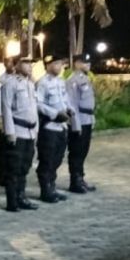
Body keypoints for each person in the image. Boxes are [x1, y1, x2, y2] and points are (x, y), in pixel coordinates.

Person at [0, 56, 39, 212]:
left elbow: (34, 109)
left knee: (25, 166)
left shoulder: (30, 84)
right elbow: (6, 108)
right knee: (13, 168)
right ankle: (12, 201)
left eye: (31, 64)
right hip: (18, 130)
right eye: (26, 63)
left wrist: (36, 130)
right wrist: (10, 131)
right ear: (16, 65)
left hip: (30, 132)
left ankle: (21, 196)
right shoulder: (10, 83)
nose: (30, 66)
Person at [35, 54, 75, 203]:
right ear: (49, 65)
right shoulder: (42, 83)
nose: (60, 67)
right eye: (57, 64)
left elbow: (65, 100)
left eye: (61, 64)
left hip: (62, 127)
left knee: (58, 158)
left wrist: (69, 109)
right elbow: (38, 104)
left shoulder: (61, 82)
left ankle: (52, 186)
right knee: (47, 159)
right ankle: (46, 190)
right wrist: (54, 114)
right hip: (49, 126)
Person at [65, 53, 98, 193]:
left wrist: (92, 118)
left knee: (84, 151)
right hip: (79, 120)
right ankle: (75, 181)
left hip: (87, 119)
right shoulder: (72, 80)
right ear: (77, 63)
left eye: (89, 63)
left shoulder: (85, 79)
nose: (88, 65)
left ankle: (81, 178)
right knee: (77, 152)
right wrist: (75, 124)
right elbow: (72, 104)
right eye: (85, 62)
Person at [0, 58, 14, 187]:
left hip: (14, 122)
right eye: (8, 63)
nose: (10, 65)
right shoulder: (1, 80)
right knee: (3, 150)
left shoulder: (19, 80)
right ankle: (2, 175)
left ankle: (9, 174)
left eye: (12, 63)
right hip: (4, 120)